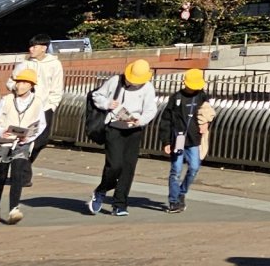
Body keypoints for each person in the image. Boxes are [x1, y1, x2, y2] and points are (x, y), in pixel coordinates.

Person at [87, 59, 161, 217]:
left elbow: (150, 110)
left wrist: (140, 120)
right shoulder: (115, 81)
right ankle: (101, 190)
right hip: (114, 127)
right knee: (114, 165)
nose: (134, 83)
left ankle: (120, 204)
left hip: (134, 130)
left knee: (128, 168)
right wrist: (108, 103)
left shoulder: (148, 87)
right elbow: (96, 95)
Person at [0, 66, 48, 223]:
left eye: (25, 83)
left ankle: (14, 208)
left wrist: (29, 137)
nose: (20, 86)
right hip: (3, 143)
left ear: (31, 85)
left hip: (22, 143)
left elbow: (41, 124)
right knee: (1, 173)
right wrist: (1, 132)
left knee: (17, 173)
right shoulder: (6, 100)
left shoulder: (37, 102)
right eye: (18, 82)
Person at [164, 67, 217, 213]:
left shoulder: (201, 96)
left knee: (194, 167)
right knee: (176, 170)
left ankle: (182, 192)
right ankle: (174, 201)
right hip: (178, 138)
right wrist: (166, 141)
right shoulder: (176, 98)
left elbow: (208, 114)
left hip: (194, 139)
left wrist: (206, 123)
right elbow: (166, 119)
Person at [19, 37, 65, 176]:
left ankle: (25, 164)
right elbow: (11, 81)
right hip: (26, 107)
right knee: (26, 138)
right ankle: (24, 173)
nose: (31, 49)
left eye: (35, 46)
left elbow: (57, 86)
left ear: (44, 48)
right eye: (31, 46)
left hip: (45, 107)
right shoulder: (25, 64)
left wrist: (52, 105)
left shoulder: (54, 64)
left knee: (41, 140)